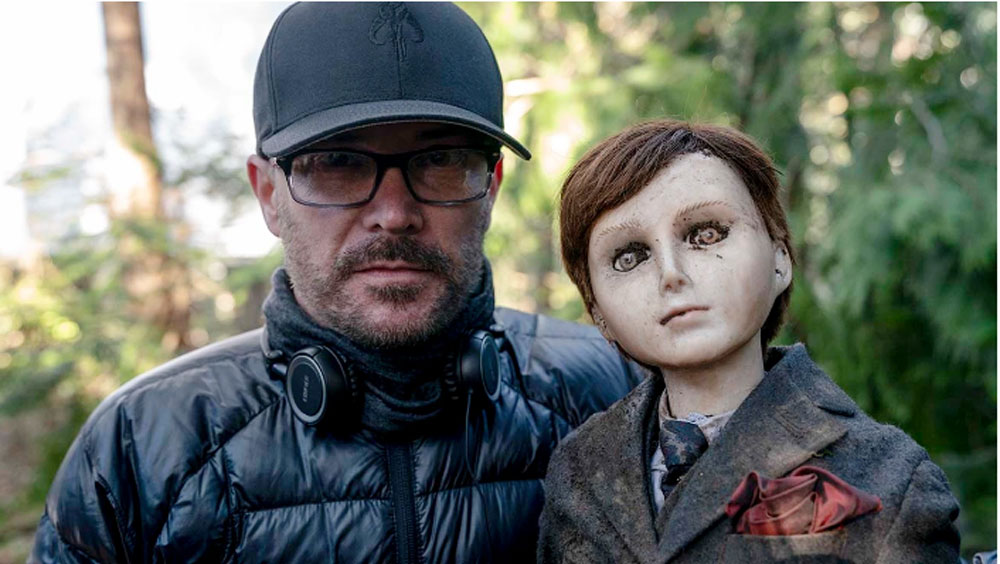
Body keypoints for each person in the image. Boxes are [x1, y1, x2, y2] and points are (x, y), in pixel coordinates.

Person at [30, 3, 640, 562]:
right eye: (338, 163)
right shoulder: (138, 448)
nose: (394, 214)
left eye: (440, 161)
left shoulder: (620, 392)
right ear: (267, 194)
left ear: (492, 188)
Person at [538, 120, 961, 563]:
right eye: (629, 257)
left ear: (780, 258)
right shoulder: (578, 471)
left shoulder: (885, 474)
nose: (671, 274)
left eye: (706, 234)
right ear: (596, 310)